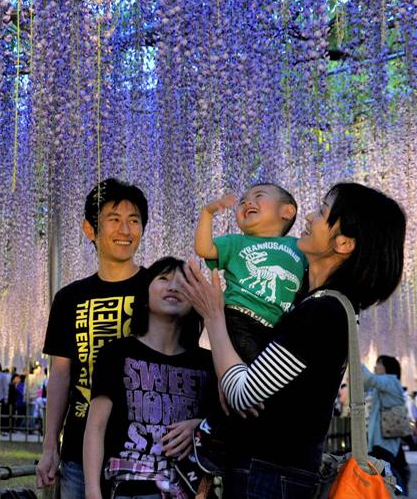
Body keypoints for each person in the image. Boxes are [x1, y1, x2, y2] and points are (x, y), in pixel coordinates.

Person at [181, 182, 406, 498]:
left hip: (268, 474)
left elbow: (244, 394)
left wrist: (214, 316)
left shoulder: (322, 313)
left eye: (322, 211)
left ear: (343, 243)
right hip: (278, 471)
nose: (308, 217)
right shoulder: (324, 305)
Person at [37, 178, 150, 499]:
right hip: (78, 449)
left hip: (145, 454)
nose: (125, 231)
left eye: (134, 221)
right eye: (113, 220)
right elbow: (60, 374)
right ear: (90, 230)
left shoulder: (159, 288)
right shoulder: (70, 298)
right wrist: (50, 447)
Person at [84, 258, 217, 499]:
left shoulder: (208, 364)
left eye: (184, 283)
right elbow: (96, 426)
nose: (173, 287)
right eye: (164, 279)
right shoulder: (116, 354)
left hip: (187, 488)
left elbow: (224, 424)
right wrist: (92, 490)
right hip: (128, 487)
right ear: (145, 294)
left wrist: (199, 427)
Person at [194, 183, 304, 362]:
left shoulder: (299, 247)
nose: (247, 203)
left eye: (258, 196)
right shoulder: (235, 242)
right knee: (258, 375)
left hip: (277, 327)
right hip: (239, 318)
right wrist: (207, 213)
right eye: (242, 201)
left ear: (287, 212)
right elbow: (203, 249)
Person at [362, 355, 410, 495]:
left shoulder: (390, 381)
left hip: (383, 440)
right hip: (383, 438)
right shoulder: (385, 385)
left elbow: (367, 379)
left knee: (385, 470)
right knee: (387, 469)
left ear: (387, 367)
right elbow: (365, 384)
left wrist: (356, 361)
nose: (375, 367)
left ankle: (397, 492)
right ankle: (398, 492)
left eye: (378, 364)